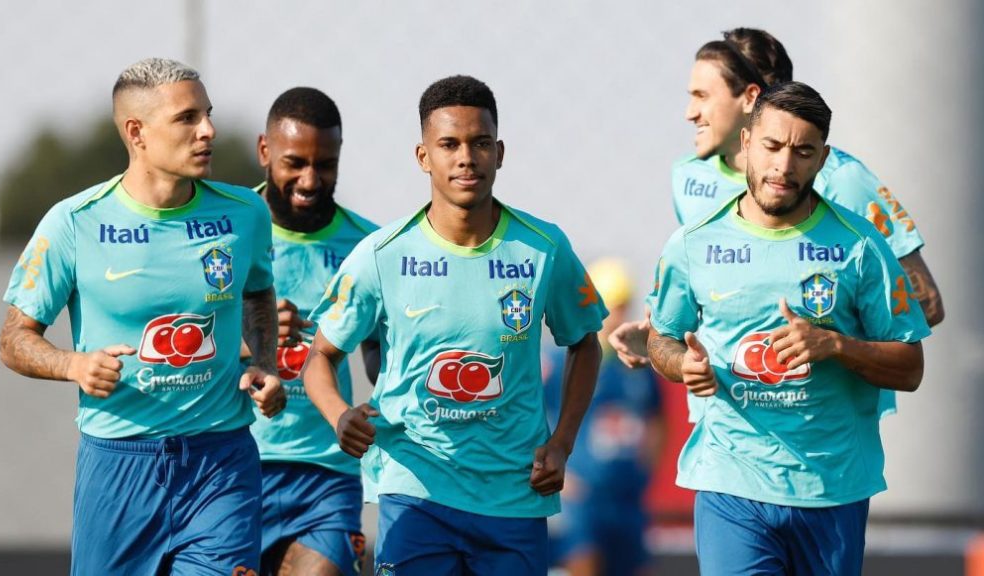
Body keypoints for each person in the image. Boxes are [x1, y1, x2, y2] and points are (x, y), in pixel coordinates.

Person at [301, 75, 606, 576]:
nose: (466, 158)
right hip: (415, 488)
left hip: (513, 494)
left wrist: (562, 442)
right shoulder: (381, 255)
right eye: (449, 145)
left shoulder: (543, 248)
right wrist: (338, 414)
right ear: (424, 157)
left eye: (480, 143)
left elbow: (585, 343)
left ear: (499, 153)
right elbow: (321, 355)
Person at [0, 58, 285, 576]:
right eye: (187, 118)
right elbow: (14, 339)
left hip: (222, 465)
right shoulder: (74, 223)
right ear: (137, 132)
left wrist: (265, 362)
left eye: (208, 114)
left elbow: (257, 294)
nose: (208, 130)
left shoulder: (245, 213)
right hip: (118, 468)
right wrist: (73, 365)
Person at [646, 82, 930, 575]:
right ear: (746, 144)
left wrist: (835, 345)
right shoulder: (692, 244)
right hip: (731, 483)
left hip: (832, 487)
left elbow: (910, 368)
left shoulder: (860, 246)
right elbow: (662, 338)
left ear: (822, 159)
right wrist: (681, 364)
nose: (784, 165)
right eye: (773, 146)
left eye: (803, 152)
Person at [611, 27, 943, 422]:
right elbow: (711, 292)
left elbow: (926, 303)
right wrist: (660, 339)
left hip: (822, 425)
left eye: (703, 96)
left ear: (750, 97)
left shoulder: (841, 180)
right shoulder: (689, 178)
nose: (690, 112)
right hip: (727, 420)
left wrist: (827, 340)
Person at [246, 87, 379, 576]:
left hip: (327, 472)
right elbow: (185, 335)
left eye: (325, 165)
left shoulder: (368, 246)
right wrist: (251, 335)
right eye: (295, 163)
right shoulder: (227, 229)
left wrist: (392, 388)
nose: (309, 179)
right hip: (235, 465)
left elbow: (379, 352)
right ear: (265, 151)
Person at [543, 258, 665, 576]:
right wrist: (555, 473)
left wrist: (645, 469)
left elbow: (656, 420)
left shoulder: (637, 365)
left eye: (623, 306)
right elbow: (530, 414)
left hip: (626, 494)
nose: (617, 316)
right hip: (582, 494)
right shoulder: (562, 360)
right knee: (585, 562)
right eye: (612, 307)